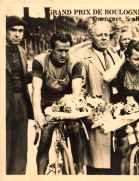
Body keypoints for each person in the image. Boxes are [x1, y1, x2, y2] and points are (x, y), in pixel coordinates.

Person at [103, 40, 139, 175]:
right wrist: (122, 61)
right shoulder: (121, 68)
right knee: (124, 147)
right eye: (135, 59)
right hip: (125, 112)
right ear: (128, 56)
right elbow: (106, 77)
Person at [32, 32, 84, 174]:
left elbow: (76, 91)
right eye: (60, 50)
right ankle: (40, 175)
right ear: (50, 50)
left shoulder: (75, 63)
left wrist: (73, 111)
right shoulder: (40, 61)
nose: (64, 54)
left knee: (75, 128)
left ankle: (79, 171)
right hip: (46, 104)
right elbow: (36, 88)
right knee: (45, 136)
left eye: (67, 50)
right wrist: (37, 113)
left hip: (66, 104)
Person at [80, 22, 121, 174]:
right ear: (90, 36)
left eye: (106, 35)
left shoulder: (113, 54)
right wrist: (88, 112)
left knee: (115, 159)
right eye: (99, 35)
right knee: (97, 163)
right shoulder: (83, 58)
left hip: (114, 112)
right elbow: (81, 88)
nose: (104, 38)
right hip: (96, 114)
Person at [6, 15, 34, 175]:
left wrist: (38, 72)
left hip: (20, 102)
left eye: (20, 31)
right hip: (4, 103)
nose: (17, 34)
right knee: (4, 145)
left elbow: (23, 78)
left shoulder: (22, 51)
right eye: (13, 30)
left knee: (20, 148)